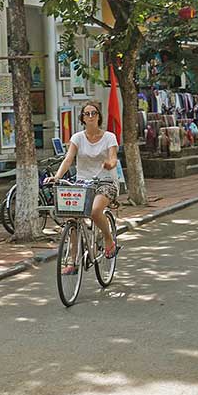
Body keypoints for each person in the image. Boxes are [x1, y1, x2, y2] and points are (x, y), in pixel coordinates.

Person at [47, 101, 121, 272]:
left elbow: (113, 157)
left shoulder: (109, 137)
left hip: (105, 182)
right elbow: (68, 159)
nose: (90, 116)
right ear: (82, 118)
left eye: (93, 113)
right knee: (71, 217)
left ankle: (109, 239)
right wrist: (57, 177)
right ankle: (73, 262)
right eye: (86, 114)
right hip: (82, 183)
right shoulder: (77, 138)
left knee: (95, 211)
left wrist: (110, 164)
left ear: (98, 116)